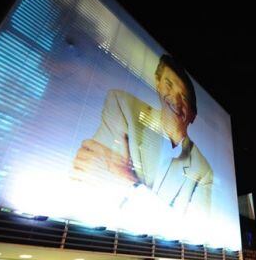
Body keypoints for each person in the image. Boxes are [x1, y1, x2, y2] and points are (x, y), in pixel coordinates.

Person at [73, 54, 213, 216]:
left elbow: (194, 230)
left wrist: (128, 181)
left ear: (193, 116)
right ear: (157, 84)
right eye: (168, 85)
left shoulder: (203, 171)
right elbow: (92, 184)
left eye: (184, 98)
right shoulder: (122, 106)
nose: (175, 100)